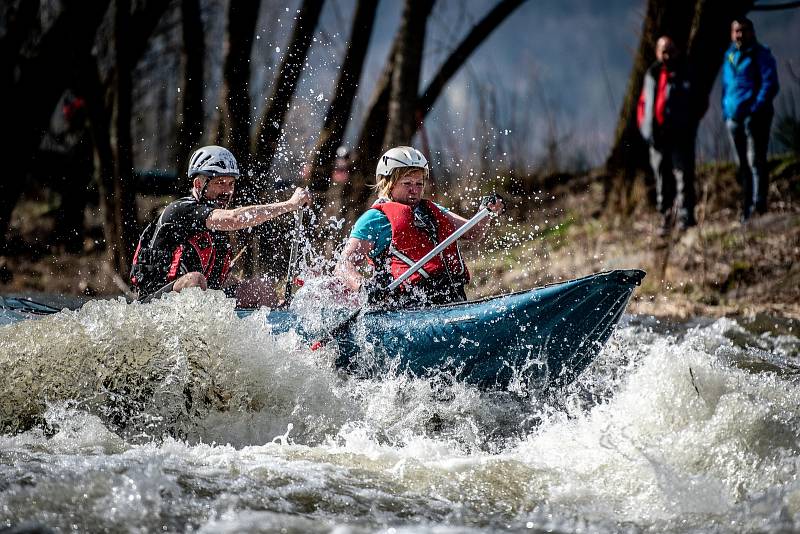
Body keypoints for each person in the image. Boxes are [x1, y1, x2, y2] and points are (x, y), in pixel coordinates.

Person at [130, 145, 311, 307]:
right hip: (154, 304)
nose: (227, 191)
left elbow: (219, 281)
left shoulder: (215, 229)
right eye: (220, 183)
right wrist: (289, 205)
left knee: (260, 288)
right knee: (195, 280)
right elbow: (234, 218)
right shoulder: (180, 210)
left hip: (202, 305)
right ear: (198, 184)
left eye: (231, 183)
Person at [335, 146, 505, 307]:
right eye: (407, 183)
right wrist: (364, 288)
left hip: (452, 302)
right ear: (389, 183)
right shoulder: (374, 219)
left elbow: (474, 233)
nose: (414, 190)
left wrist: (486, 212)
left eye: (419, 183)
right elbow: (343, 265)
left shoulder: (433, 211)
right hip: (403, 310)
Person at [722, 16, 779, 223]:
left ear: (751, 32)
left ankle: (759, 206)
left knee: (756, 161)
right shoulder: (729, 56)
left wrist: (755, 109)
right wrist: (726, 111)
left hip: (755, 117)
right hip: (734, 119)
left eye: (744, 30)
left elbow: (770, 84)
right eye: (736, 30)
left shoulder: (761, 55)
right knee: (742, 165)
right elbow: (726, 88)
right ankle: (746, 208)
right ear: (731, 33)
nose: (740, 34)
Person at [637, 35, 696, 234]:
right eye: (663, 50)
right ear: (657, 52)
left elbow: (699, 102)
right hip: (657, 137)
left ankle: (686, 218)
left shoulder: (686, 72)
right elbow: (643, 104)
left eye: (670, 50)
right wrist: (645, 128)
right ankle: (666, 218)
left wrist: (688, 125)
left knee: (683, 176)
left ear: (677, 51)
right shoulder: (651, 74)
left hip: (680, 136)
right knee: (662, 179)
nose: (667, 55)